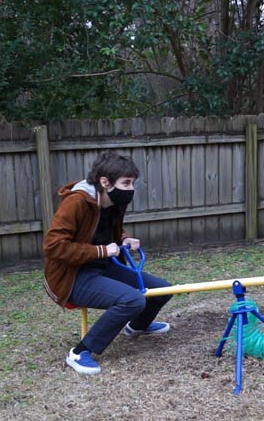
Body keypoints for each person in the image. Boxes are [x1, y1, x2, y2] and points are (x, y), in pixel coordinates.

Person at [42, 151, 172, 375]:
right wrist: (101, 250)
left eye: (133, 183)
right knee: (132, 300)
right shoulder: (76, 203)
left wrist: (123, 239)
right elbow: (53, 246)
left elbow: (109, 229)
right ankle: (80, 352)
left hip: (103, 267)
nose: (131, 189)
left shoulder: (113, 201)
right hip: (73, 276)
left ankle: (137, 326)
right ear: (105, 182)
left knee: (162, 290)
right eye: (126, 183)